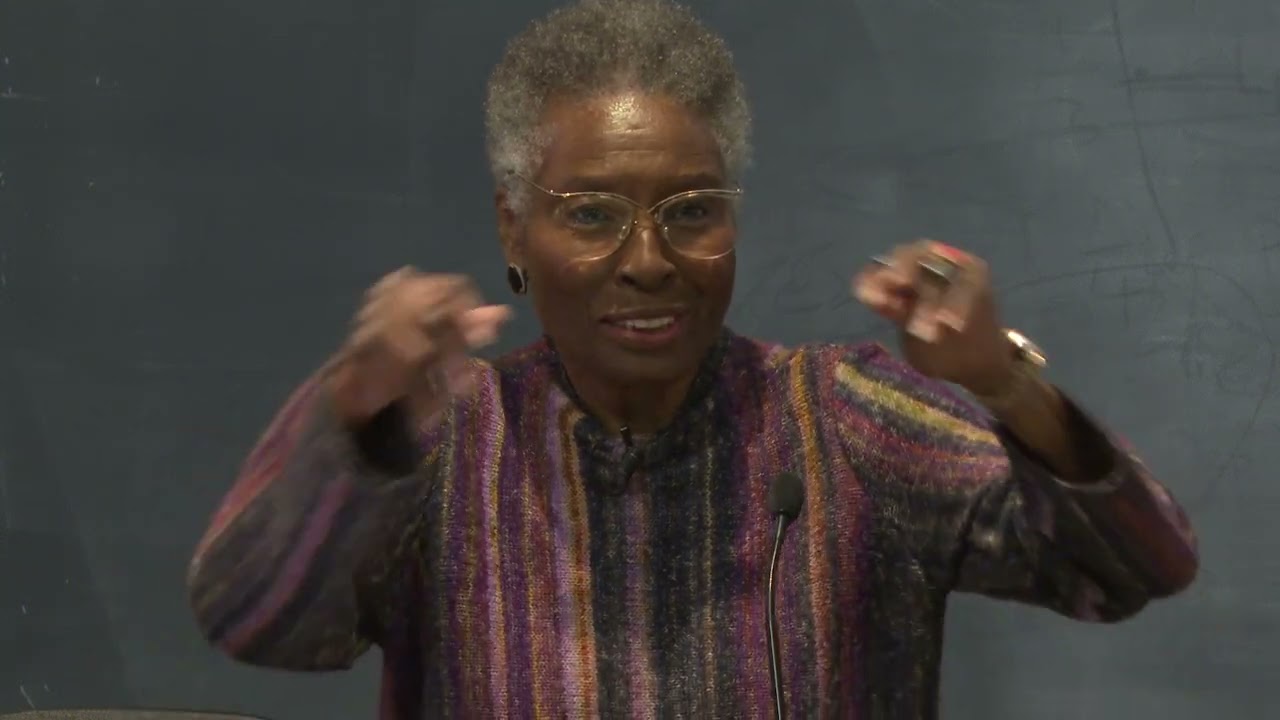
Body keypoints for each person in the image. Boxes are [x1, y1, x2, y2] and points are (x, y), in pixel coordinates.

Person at [185, 1, 1199, 718]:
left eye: (691, 212)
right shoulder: (448, 443)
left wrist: (999, 380)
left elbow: (1131, 565)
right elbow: (256, 622)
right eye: (591, 215)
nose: (647, 260)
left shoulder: (844, 419)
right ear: (512, 227)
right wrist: (355, 404)